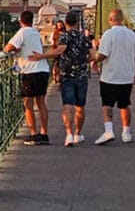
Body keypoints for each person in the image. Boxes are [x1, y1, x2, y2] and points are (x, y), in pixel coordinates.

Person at [29, 11, 94, 146]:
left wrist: (41, 56)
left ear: (66, 23)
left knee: (67, 105)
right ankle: (78, 133)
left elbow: (58, 51)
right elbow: (93, 56)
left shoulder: (65, 37)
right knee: (80, 107)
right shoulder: (84, 38)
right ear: (77, 23)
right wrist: (83, 61)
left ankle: (69, 134)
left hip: (67, 75)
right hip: (82, 76)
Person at [94, 9, 135, 144]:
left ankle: (109, 131)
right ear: (123, 19)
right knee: (125, 103)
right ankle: (126, 132)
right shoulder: (132, 34)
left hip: (110, 75)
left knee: (107, 104)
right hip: (127, 75)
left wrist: (94, 60)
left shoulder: (108, 34)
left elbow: (103, 54)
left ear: (110, 20)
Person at [4, 10, 50, 145]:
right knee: (41, 103)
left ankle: (33, 134)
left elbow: (8, 48)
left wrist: (15, 49)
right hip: (43, 69)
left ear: (21, 21)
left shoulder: (22, 32)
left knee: (28, 104)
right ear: (32, 21)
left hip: (30, 72)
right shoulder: (35, 32)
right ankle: (44, 133)